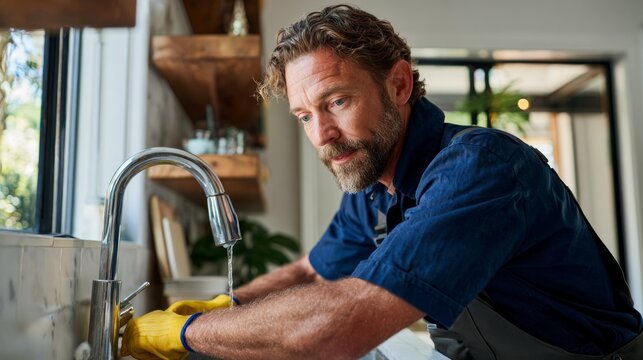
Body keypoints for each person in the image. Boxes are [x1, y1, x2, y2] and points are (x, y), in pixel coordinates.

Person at [122, 4, 643, 359]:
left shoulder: (479, 171)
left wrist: (184, 335)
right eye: (304, 116)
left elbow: (337, 326)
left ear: (397, 83)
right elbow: (311, 274)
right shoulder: (373, 183)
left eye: (337, 102)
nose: (322, 134)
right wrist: (227, 306)